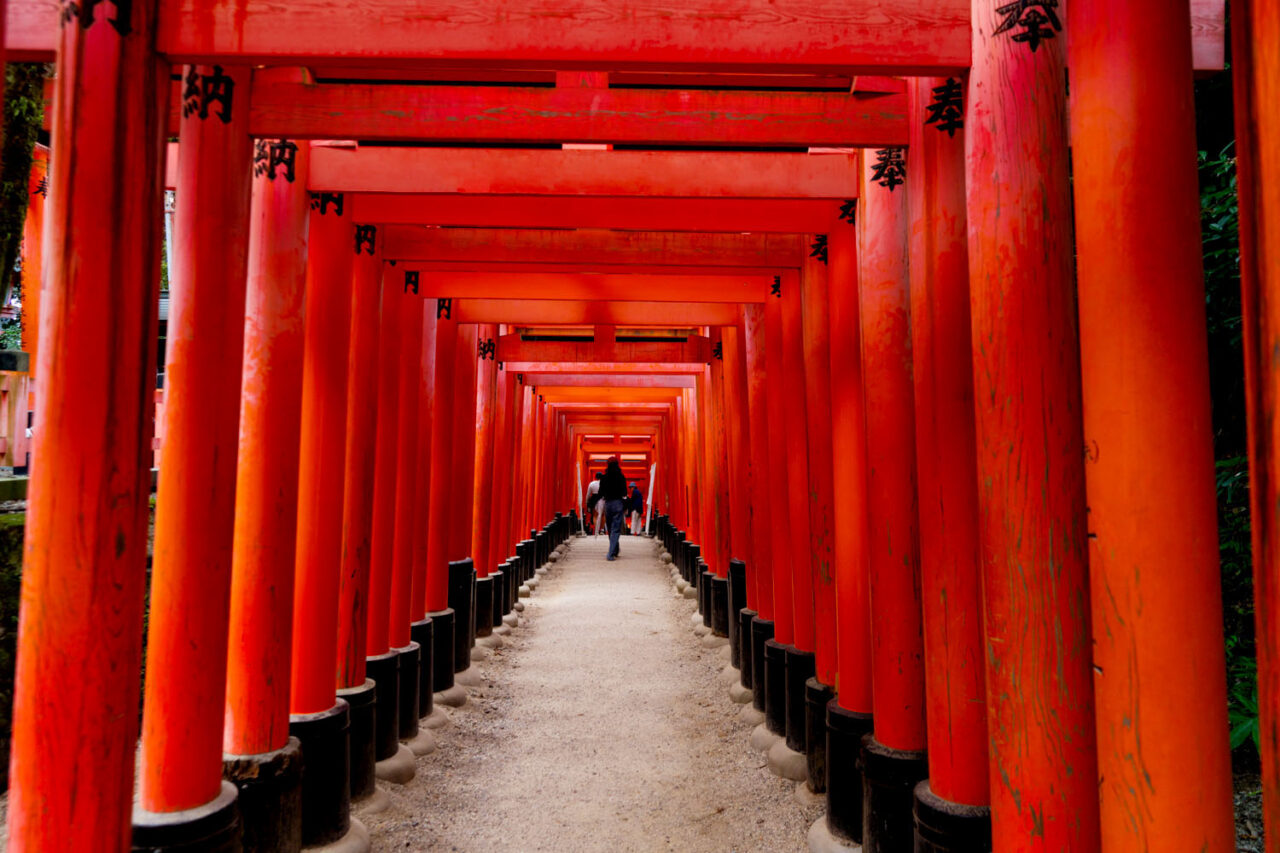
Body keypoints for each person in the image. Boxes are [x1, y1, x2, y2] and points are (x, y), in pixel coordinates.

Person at [600, 457, 628, 560]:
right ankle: (612, 552)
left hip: (608, 504)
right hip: (618, 503)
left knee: (611, 529)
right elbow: (624, 492)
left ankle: (613, 550)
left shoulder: (604, 477)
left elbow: (601, 492)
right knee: (616, 529)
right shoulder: (621, 477)